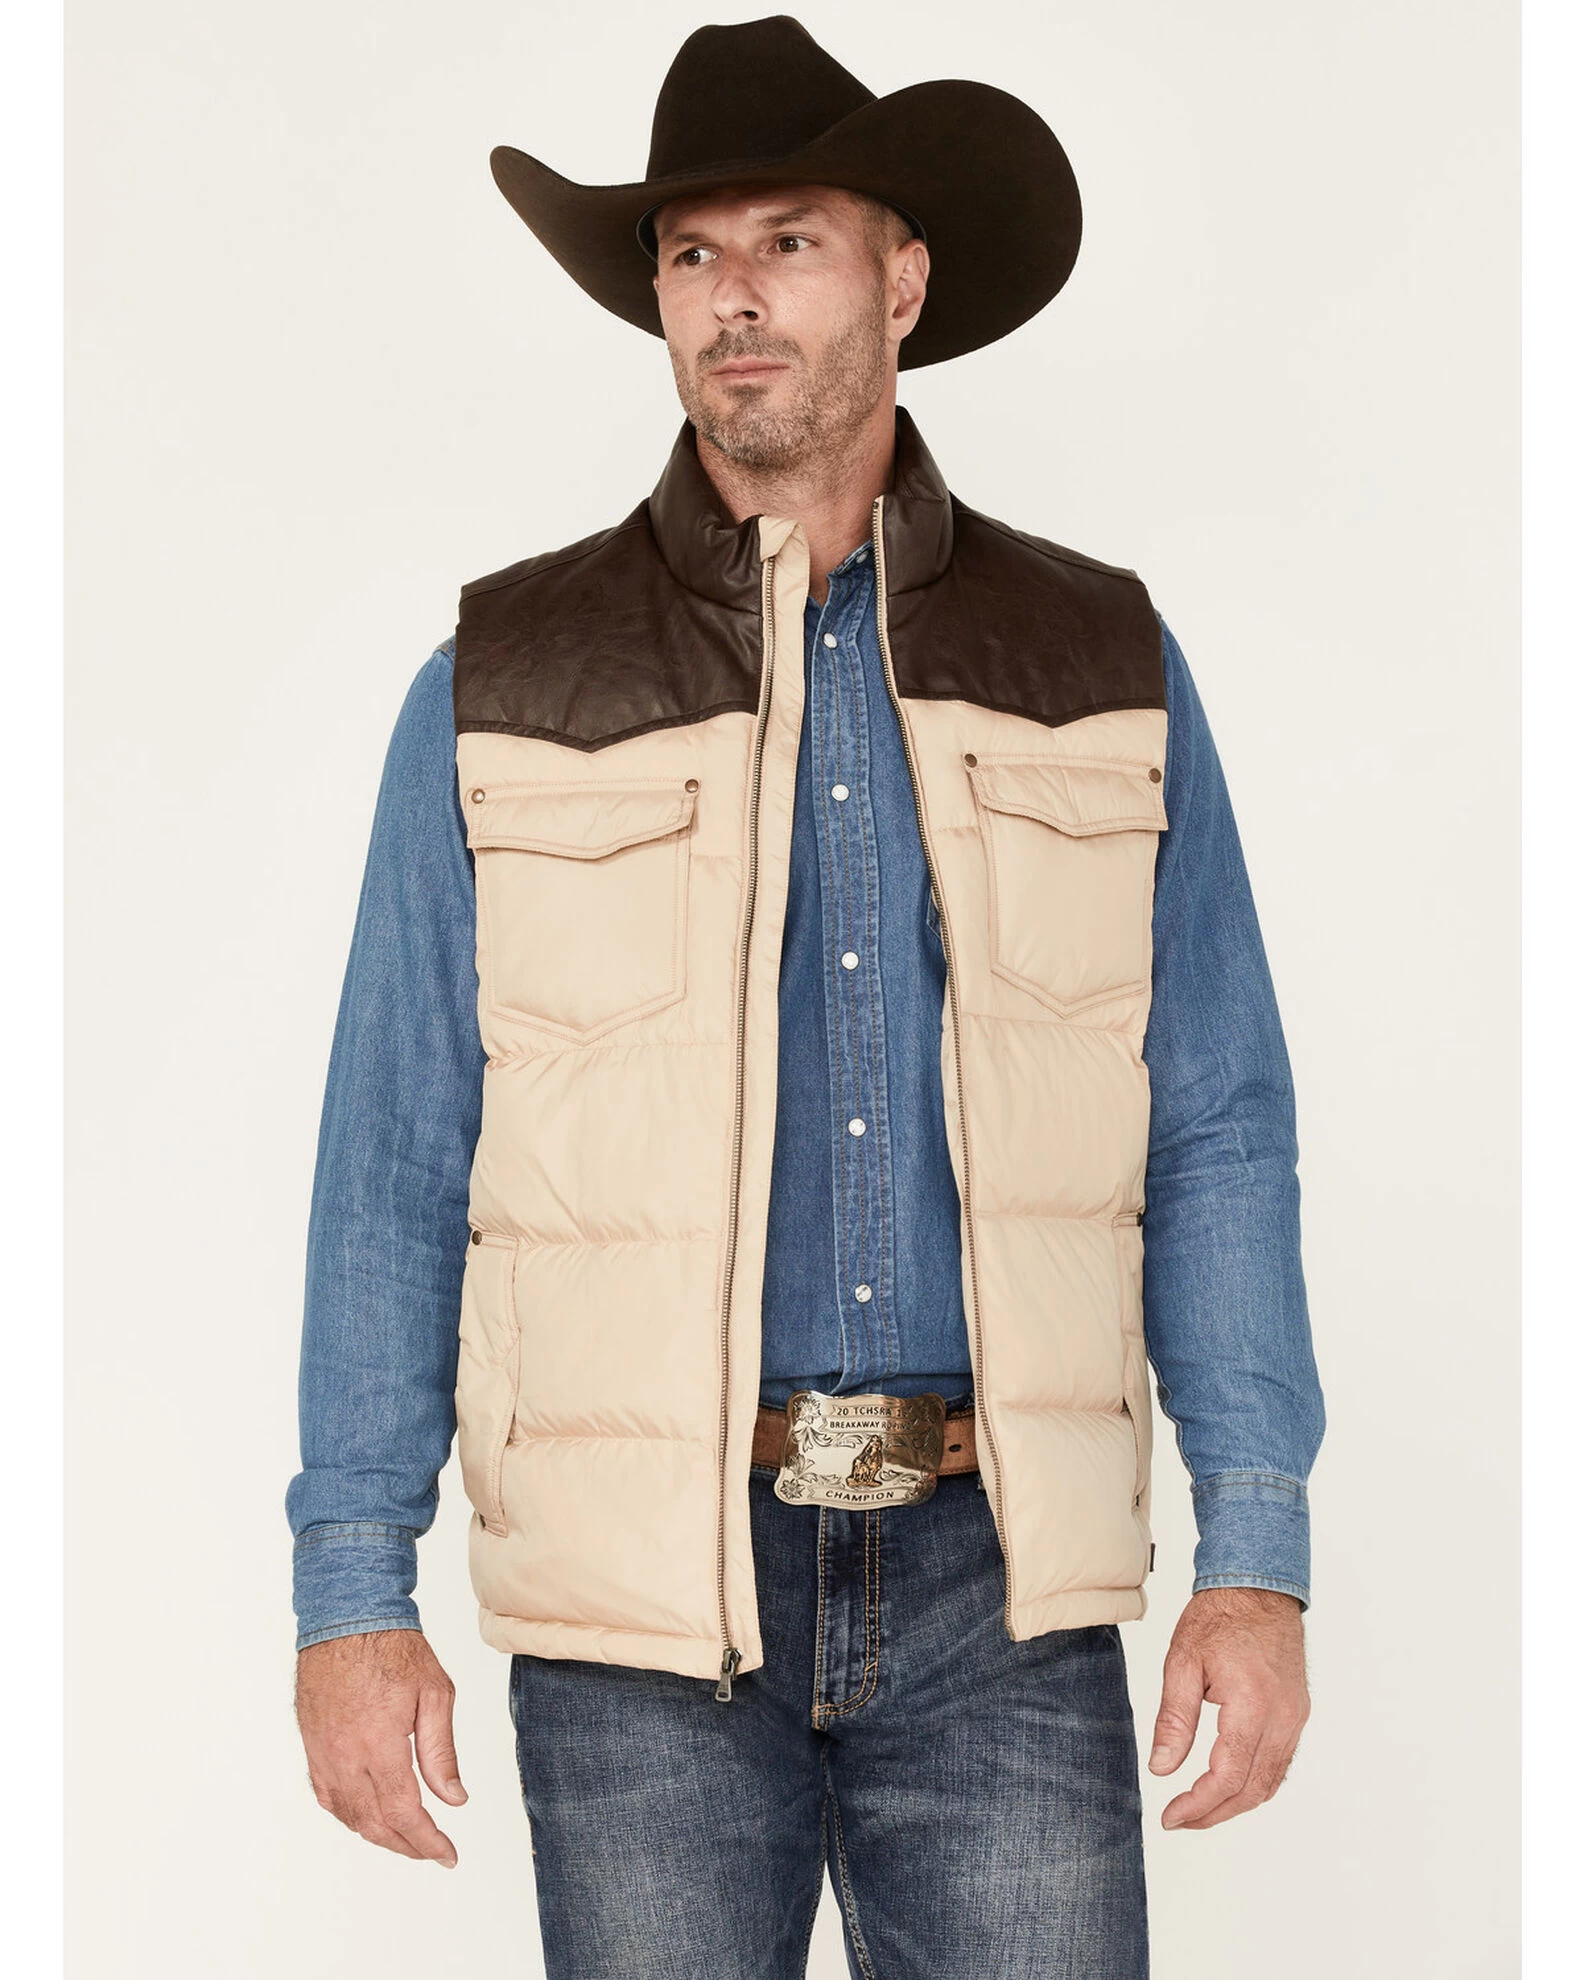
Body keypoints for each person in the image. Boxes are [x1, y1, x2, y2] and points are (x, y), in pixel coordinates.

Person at [286, 17, 1325, 1977]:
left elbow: (1216, 1119)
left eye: (788, 243)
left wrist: (1254, 1547)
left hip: (1000, 1582)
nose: (733, 298)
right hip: (642, 1610)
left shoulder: (1100, 660)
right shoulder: (502, 684)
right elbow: (399, 1154)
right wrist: (352, 1584)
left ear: (902, 280)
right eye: (692, 254)